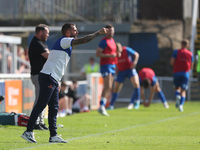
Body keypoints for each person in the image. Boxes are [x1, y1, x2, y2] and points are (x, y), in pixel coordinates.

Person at [21, 23, 108, 143]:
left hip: (54, 78)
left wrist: (59, 80)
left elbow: (59, 64)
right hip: (48, 76)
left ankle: (53, 135)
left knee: (54, 107)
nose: (76, 32)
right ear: (68, 32)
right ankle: (28, 131)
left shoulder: (65, 42)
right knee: (41, 104)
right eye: (74, 30)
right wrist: (98, 33)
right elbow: (84, 40)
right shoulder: (65, 40)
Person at [28, 24, 50, 130]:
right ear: (40, 32)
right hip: (38, 75)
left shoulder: (41, 43)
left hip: (41, 75)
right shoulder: (37, 43)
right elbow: (48, 56)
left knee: (43, 99)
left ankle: (40, 121)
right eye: (47, 33)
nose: (48, 35)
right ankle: (35, 122)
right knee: (39, 100)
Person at [107, 43, 140, 110]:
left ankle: (137, 101)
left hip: (130, 69)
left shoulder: (126, 49)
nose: (118, 54)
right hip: (121, 72)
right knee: (116, 88)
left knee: (136, 84)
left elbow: (136, 54)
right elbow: (114, 63)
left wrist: (135, 62)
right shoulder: (114, 54)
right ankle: (111, 105)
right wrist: (116, 70)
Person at [96, 24, 117, 116]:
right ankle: (101, 106)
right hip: (106, 65)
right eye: (109, 30)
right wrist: (109, 56)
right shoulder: (103, 41)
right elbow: (98, 53)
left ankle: (102, 105)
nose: (111, 32)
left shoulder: (112, 41)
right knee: (107, 85)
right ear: (106, 32)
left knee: (110, 87)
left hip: (112, 65)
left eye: (112, 30)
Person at [170, 39, 193, 112]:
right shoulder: (190, 54)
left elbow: (172, 62)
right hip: (185, 73)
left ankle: (177, 96)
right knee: (183, 91)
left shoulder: (176, 52)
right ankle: (181, 106)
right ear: (187, 45)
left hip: (177, 72)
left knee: (177, 88)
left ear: (181, 44)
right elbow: (191, 66)